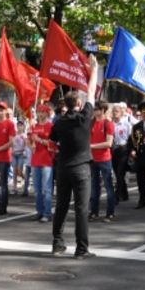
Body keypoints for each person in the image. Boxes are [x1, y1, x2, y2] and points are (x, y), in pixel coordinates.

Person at [49, 54, 99, 259]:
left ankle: (57, 243)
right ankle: (81, 249)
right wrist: (93, 69)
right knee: (81, 208)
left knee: (61, 206)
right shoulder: (84, 117)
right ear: (78, 103)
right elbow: (91, 94)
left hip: (63, 168)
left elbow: (53, 141)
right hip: (81, 168)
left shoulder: (59, 122)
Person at [89, 102, 115, 222]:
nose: (94, 111)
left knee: (108, 186)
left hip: (104, 159)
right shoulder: (91, 122)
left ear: (103, 110)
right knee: (94, 188)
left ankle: (110, 213)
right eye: (94, 109)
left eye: (97, 109)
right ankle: (94, 212)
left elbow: (109, 143)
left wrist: (92, 146)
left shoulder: (108, 124)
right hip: (93, 159)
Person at [30, 104, 56, 223]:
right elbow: (29, 143)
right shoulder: (34, 126)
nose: (40, 114)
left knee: (46, 189)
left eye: (42, 112)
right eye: (39, 112)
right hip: (35, 160)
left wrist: (39, 140)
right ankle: (39, 211)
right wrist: (31, 144)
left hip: (47, 161)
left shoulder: (51, 126)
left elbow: (53, 145)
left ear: (47, 113)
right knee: (37, 189)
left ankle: (47, 213)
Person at [111, 104, 132, 203]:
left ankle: (117, 196)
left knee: (119, 173)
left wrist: (131, 150)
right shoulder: (111, 124)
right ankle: (125, 193)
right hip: (114, 150)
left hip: (123, 150)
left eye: (117, 111)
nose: (115, 113)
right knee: (118, 173)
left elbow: (130, 138)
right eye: (114, 111)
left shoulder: (126, 124)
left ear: (120, 113)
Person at [11, 121, 27, 195]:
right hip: (14, 154)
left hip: (20, 154)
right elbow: (11, 143)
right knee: (14, 172)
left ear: (23, 127)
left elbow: (26, 145)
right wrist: (11, 150)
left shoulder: (24, 135)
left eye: (21, 125)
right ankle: (15, 188)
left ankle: (25, 180)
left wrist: (24, 151)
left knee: (19, 171)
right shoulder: (14, 134)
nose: (19, 127)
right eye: (18, 125)